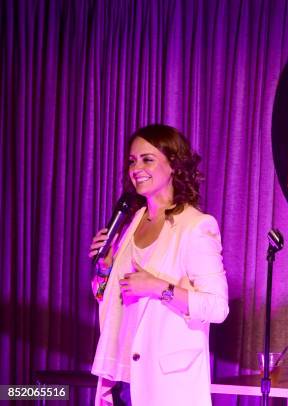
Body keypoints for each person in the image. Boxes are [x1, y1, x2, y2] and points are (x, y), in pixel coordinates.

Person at [89, 124, 229, 406]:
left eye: (147, 159)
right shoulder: (134, 221)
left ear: (174, 165)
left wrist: (156, 286)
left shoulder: (196, 226)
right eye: (132, 160)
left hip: (165, 383)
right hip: (122, 375)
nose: (136, 167)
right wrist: (104, 269)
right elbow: (109, 297)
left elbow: (217, 307)